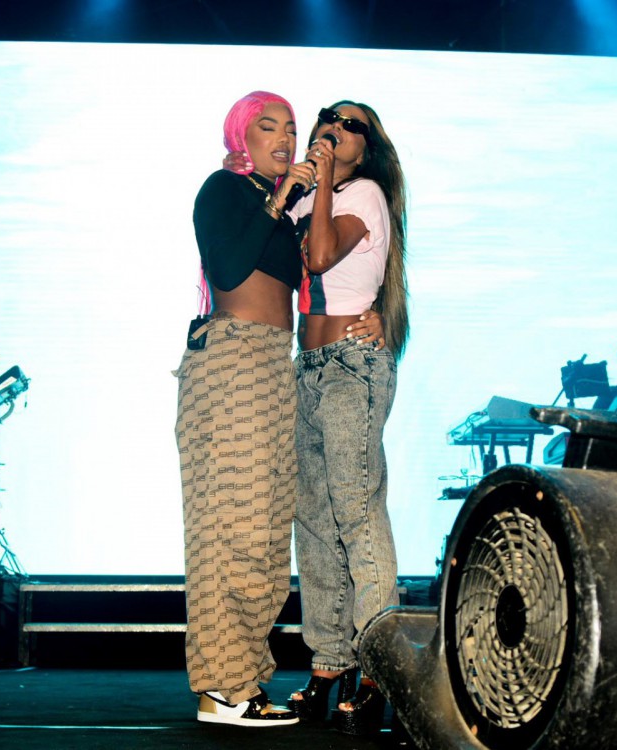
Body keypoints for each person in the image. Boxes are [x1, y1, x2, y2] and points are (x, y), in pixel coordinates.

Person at [175, 91, 384, 728]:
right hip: (231, 359)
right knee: (228, 531)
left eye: (292, 128)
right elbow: (231, 264)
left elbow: (333, 269)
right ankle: (221, 689)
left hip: (276, 365)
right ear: (242, 135)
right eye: (270, 127)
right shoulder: (224, 191)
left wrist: (374, 317)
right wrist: (275, 198)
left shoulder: (295, 208)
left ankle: (244, 682)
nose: (287, 138)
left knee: (267, 535)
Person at [282, 101, 409, 736]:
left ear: (369, 146)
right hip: (305, 367)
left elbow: (321, 257)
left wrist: (324, 181)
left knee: (356, 511)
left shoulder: (365, 194)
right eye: (328, 116)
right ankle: (329, 662)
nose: (335, 125)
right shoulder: (307, 194)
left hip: (352, 365)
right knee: (314, 517)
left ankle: (379, 666)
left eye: (351, 123)